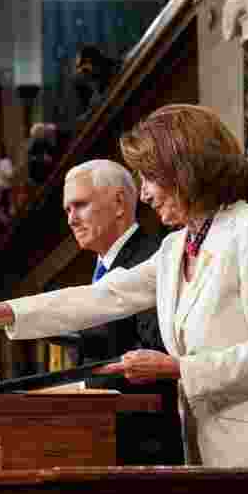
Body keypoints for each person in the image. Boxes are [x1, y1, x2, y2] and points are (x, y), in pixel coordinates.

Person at [0, 104, 248, 469]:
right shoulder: (177, 246)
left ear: (187, 167)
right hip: (219, 456)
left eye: (150, 177)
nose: (147, 194)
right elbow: (101, 296)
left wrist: (178, 369)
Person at [55, 159, 183, 465]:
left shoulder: (153, 256)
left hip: (147, 448)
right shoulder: (100, 267)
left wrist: (76, 389)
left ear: (119, 204)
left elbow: (155, 353)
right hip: (102, 440)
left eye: (80, 205)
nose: (71, 219)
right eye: (67, 210)